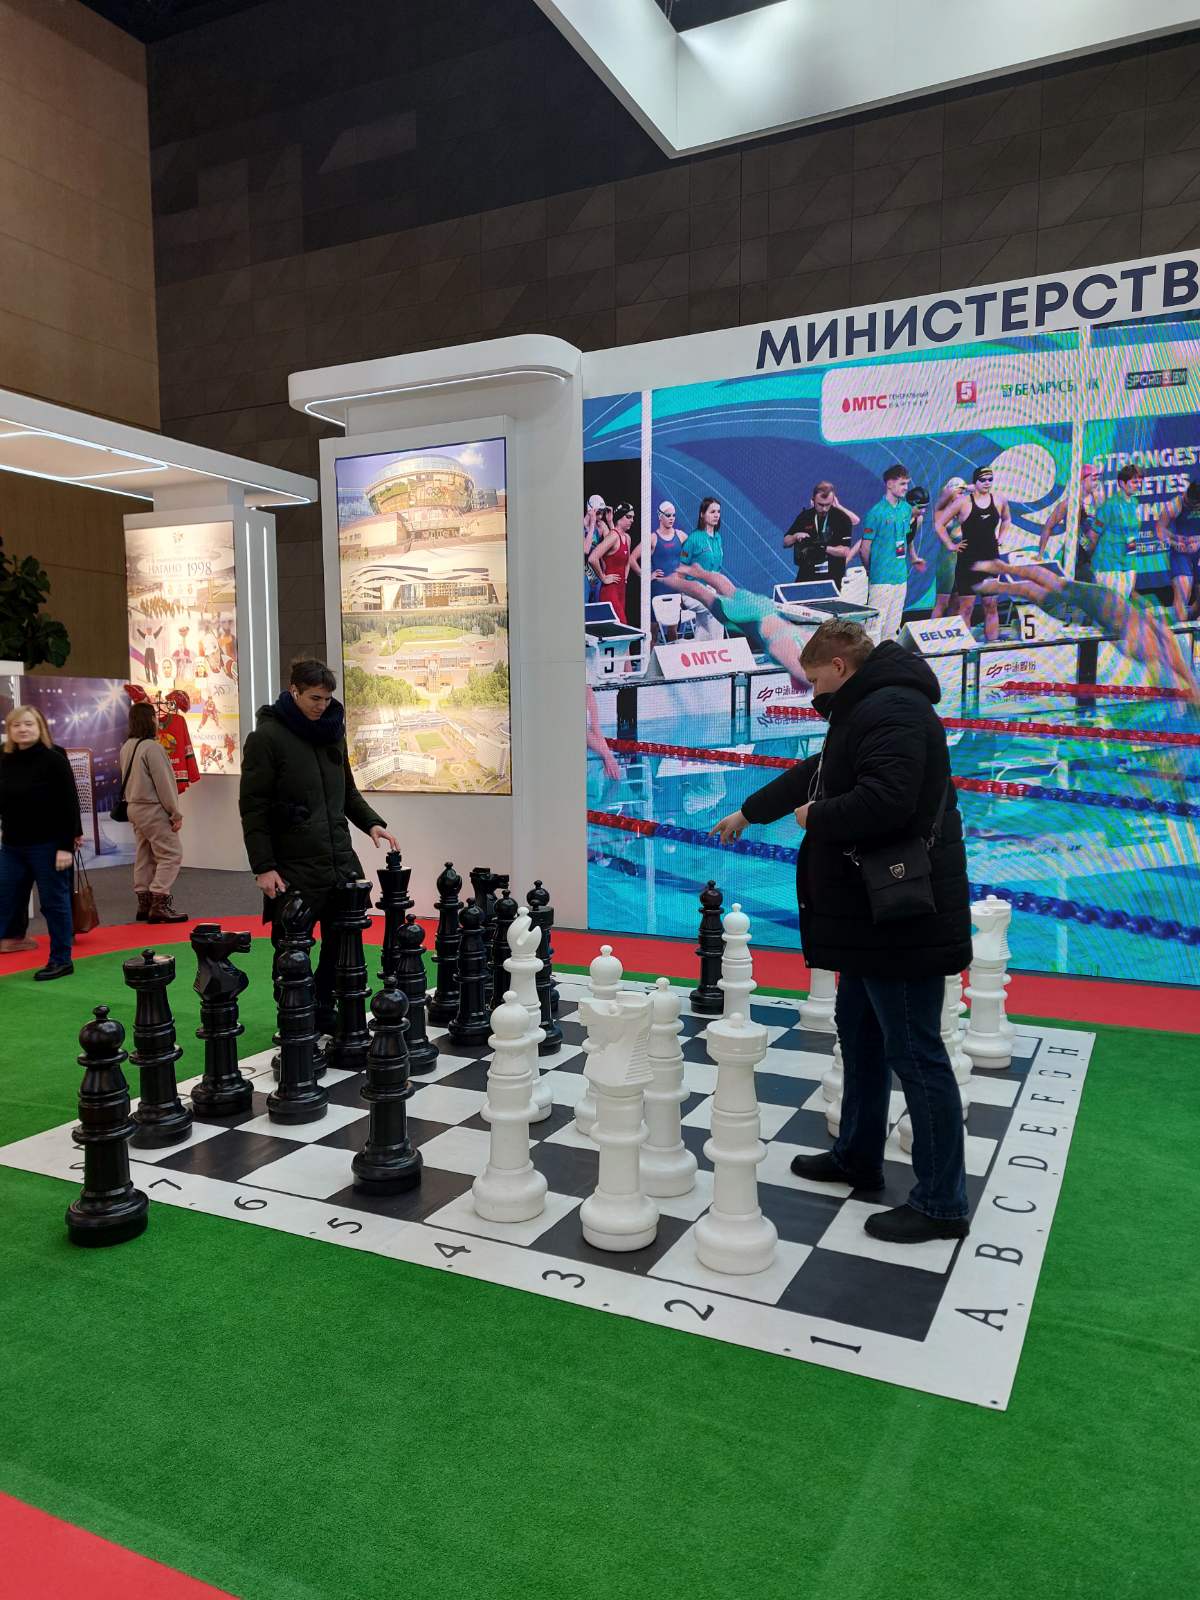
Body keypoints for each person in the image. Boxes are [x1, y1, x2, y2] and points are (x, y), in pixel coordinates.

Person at [711, 620, 971, 1243]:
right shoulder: (865, 708)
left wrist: (815, 818)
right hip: (868, 918)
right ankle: (857, 1153)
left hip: (900, 918)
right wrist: (751, 811)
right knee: (860, 1036)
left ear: (839, 666)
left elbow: (888, 801)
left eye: (814, 678)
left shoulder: (895, 709)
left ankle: (942, 1203)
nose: (811, 691)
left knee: (915, 1054)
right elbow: (819, 771)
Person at [239, 659, 399, 1033]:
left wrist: (372, 823)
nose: (322, 706)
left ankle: (324, 1009)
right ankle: (294, 1017)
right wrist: (263, 866)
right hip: (291, 863)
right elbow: (253, 808)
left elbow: (348, 792)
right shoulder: (266, 739)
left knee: (342, 941)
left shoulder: (332, 733)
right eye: (314, 698)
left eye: (327, 699)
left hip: (339, 859)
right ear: (293, 691)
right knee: (291, 946)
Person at [0, 705, 84, 981]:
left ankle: (61, 960)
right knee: (6, 894)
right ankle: (12, 938)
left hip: (48, 845)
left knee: (53, 903)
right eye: (16, 725)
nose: (22, 729)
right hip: (12, 845)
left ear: (40, 728)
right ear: (9, 730)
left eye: (28, 724)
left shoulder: (53, 759)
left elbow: (69, 804)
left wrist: (65, 847)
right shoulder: (4, 758)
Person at [668, 563, 812, 690]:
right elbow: (805, 677)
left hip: (765, 607)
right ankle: (670, 580)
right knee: (702, 593)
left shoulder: (804, 638)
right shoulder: (784, 652)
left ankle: (698, 572)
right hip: (746, 618)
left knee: (729, 589)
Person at [120, 699, 188, 924]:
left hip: (133, 807)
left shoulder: (127, 746)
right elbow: (165, 784)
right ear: (150, 720)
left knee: (145, 854)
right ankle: (159, 901)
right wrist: (175, 813)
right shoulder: (153, 748)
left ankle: (144, 902)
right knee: (171, 853)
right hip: (152, 808)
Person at [936, 466, 1011, 642]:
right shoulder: (963, 503)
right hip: (968, 562)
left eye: (990, 480)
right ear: (975, 481)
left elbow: (1007, 519)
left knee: (991, 605)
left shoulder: (999, 500)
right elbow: (939, 524)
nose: (987, 483)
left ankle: (991, 647)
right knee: (966, 608)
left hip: (991, 561)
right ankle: (964, 648)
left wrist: (1001, 537)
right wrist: (950, 545)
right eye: (983, 480)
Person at [860, 464, 927, 642]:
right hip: (881, 579)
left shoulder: (906, 509)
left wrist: (913, 557)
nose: (906, 488)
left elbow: (906, 539)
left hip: (900, 577)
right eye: (902, 484)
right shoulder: (876, 512)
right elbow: (864, 548)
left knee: (892, 627)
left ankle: (887, 658)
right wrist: (871, 569)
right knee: (874, 628)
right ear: (889, 484)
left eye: (907, 484)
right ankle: (870, 659)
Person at [782, 482, 861, 586]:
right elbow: (785, 542)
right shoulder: (805, 516)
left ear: (833, 501)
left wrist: (822, 548)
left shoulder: (841, 518)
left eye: (827, 505)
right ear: (813, 500)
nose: (824, 509)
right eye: (820, 504)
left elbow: (845, 551)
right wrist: (795, 536)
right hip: (806, 574)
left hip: (831, 576)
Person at [630, 501, 688, 640]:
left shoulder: (681, 536)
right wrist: (646, 576)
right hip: (657, 591)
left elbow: (689, 555)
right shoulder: (652, 538)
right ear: (660, 516)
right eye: (668, 515)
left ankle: (671, 655)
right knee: (653, 631)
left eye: (673, 515)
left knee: (673, 630)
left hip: (674, 589)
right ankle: (649, 655)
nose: (672, 518)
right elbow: (632, 559)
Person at [1039, 463, 1104, 579]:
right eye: (1093, 479)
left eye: (1098, 480)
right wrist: (1041, 553)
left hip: (1093, 556)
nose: (1096, 483)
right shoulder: (1069, 504)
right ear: (1083, 480)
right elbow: (1048, 526)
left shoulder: (1098, 501)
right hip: (1075, 557)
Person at [1089, 462, 1143, 597]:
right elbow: (1093, 535)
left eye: (1139, 482)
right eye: (1134, 482)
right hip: (1108, 564)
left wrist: (1132, 564)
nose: (1138, 485)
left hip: (1128, 563)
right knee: (1112, 606)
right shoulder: (1109, 505)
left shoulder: (1135, 503)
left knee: (1124, 603)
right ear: (1122, 483)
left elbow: (1133, 535)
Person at [1155, 479, 1200, 623]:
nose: (1187, 505)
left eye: (1192, 505)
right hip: (1181, 552)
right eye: (1187, 501)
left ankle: (1190, 621)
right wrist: (1174, 542)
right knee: (1182, 589)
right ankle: (1182, 632)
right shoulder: (1175, 504)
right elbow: (1159, 529)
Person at [590, 503, 636, 624]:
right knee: (622, 625)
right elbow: (593, 558)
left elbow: (628, 561)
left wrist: (625, 578)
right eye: (628, 517)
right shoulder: (613, 536)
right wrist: (603, 578)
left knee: (619, 628)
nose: (632, 520)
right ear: (620, 518)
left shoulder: (627, 538)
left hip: (621, 591)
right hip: (610, 590)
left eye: (633, 517)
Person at [928, 476, 967, 619]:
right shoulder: (941, 511)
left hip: (961, 561)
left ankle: (950, 630)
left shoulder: (963, 510)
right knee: (942, 603)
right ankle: (932, 630)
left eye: (963, 492)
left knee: (956, 603)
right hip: (947, 562)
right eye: (959, 491)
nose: (962, 494)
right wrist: (951, 545)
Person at [682, 496, 725, 573]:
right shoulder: (693, 538)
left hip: (714, 580)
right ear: (702, 514)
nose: (716, 515)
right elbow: (682, 565)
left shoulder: (718, 537)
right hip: (696, 580)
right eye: (712, 512)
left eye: (718, 512)